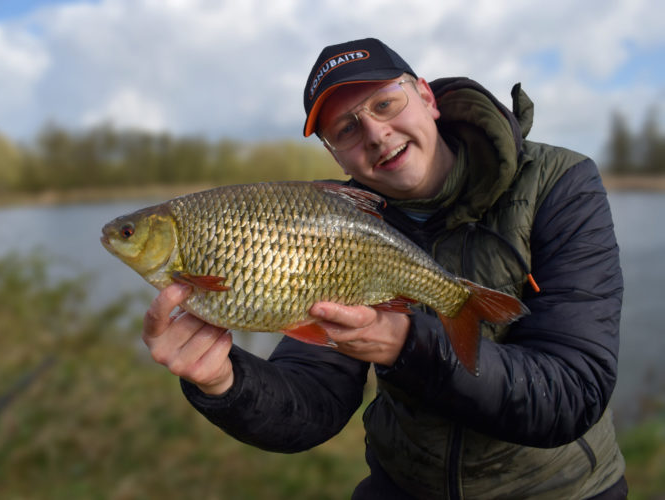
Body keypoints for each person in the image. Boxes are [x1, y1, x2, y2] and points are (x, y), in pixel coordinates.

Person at [141, 38, 628, 498]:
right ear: (335, 154)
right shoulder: (327, 223)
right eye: (346, 129)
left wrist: (406, 344)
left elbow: (574, 392)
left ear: (426, 97)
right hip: (404, 485)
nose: (375, 134)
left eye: (384, 104)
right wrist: (224, 381)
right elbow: (312, 403)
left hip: (562, 491)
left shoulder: (560, 183)